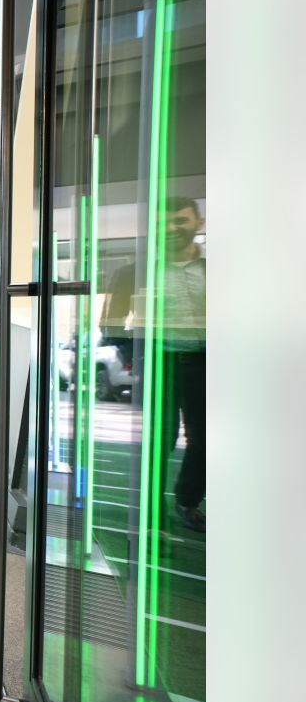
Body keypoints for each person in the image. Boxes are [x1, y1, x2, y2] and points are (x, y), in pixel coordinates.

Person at [102, 195, 206, 533]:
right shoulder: (134, 272)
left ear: (198, 224)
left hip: (205, 365)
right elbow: (111, 323)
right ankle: (152, 513)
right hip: (160, 364)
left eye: (182, 220)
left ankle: (188, 501)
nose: (173, 228)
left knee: (205, 440)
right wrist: (136, 359)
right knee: (159, 438)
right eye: (164, 222)